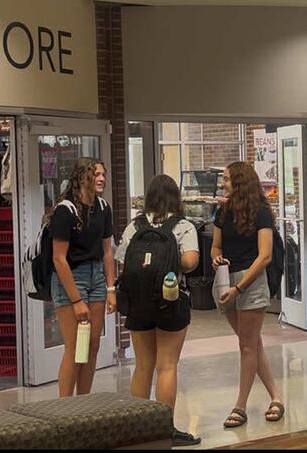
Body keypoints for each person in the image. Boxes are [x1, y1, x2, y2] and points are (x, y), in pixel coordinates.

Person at [115, 174, 201, 447]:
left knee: (142, 366)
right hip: (170, 299)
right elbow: (189, 262)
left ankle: (137, 429)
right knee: (167, 366)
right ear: (176, 197)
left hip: (138, 302)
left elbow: (122, 260)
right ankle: (164, 430)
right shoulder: (183, 226)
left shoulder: (134, 226)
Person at [211, 161, 284, 428]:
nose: (223, 184)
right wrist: (216, 259)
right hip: (226, 280)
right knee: (251, 343)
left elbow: (265, 255)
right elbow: (216, 246)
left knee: (246, 345)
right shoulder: (222, 211)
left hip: (250, 281)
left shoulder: (261, 212)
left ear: (240, 181)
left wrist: (239, 288)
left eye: (227, 179)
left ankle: (240, 406)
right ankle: (276, 397)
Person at [48, 158, 116, 397]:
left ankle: (84, 401)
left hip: (96, 275)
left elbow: (108, 250)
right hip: (70, 276)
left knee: (92, 345)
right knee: (76, 345)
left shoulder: (103, 208)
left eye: (103, 174)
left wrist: (110, 289)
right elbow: (59, 258)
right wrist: (76, 300)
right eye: (95, 174)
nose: (101, 179)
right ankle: (65, 407)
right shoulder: (65, 211)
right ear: (81, 178)